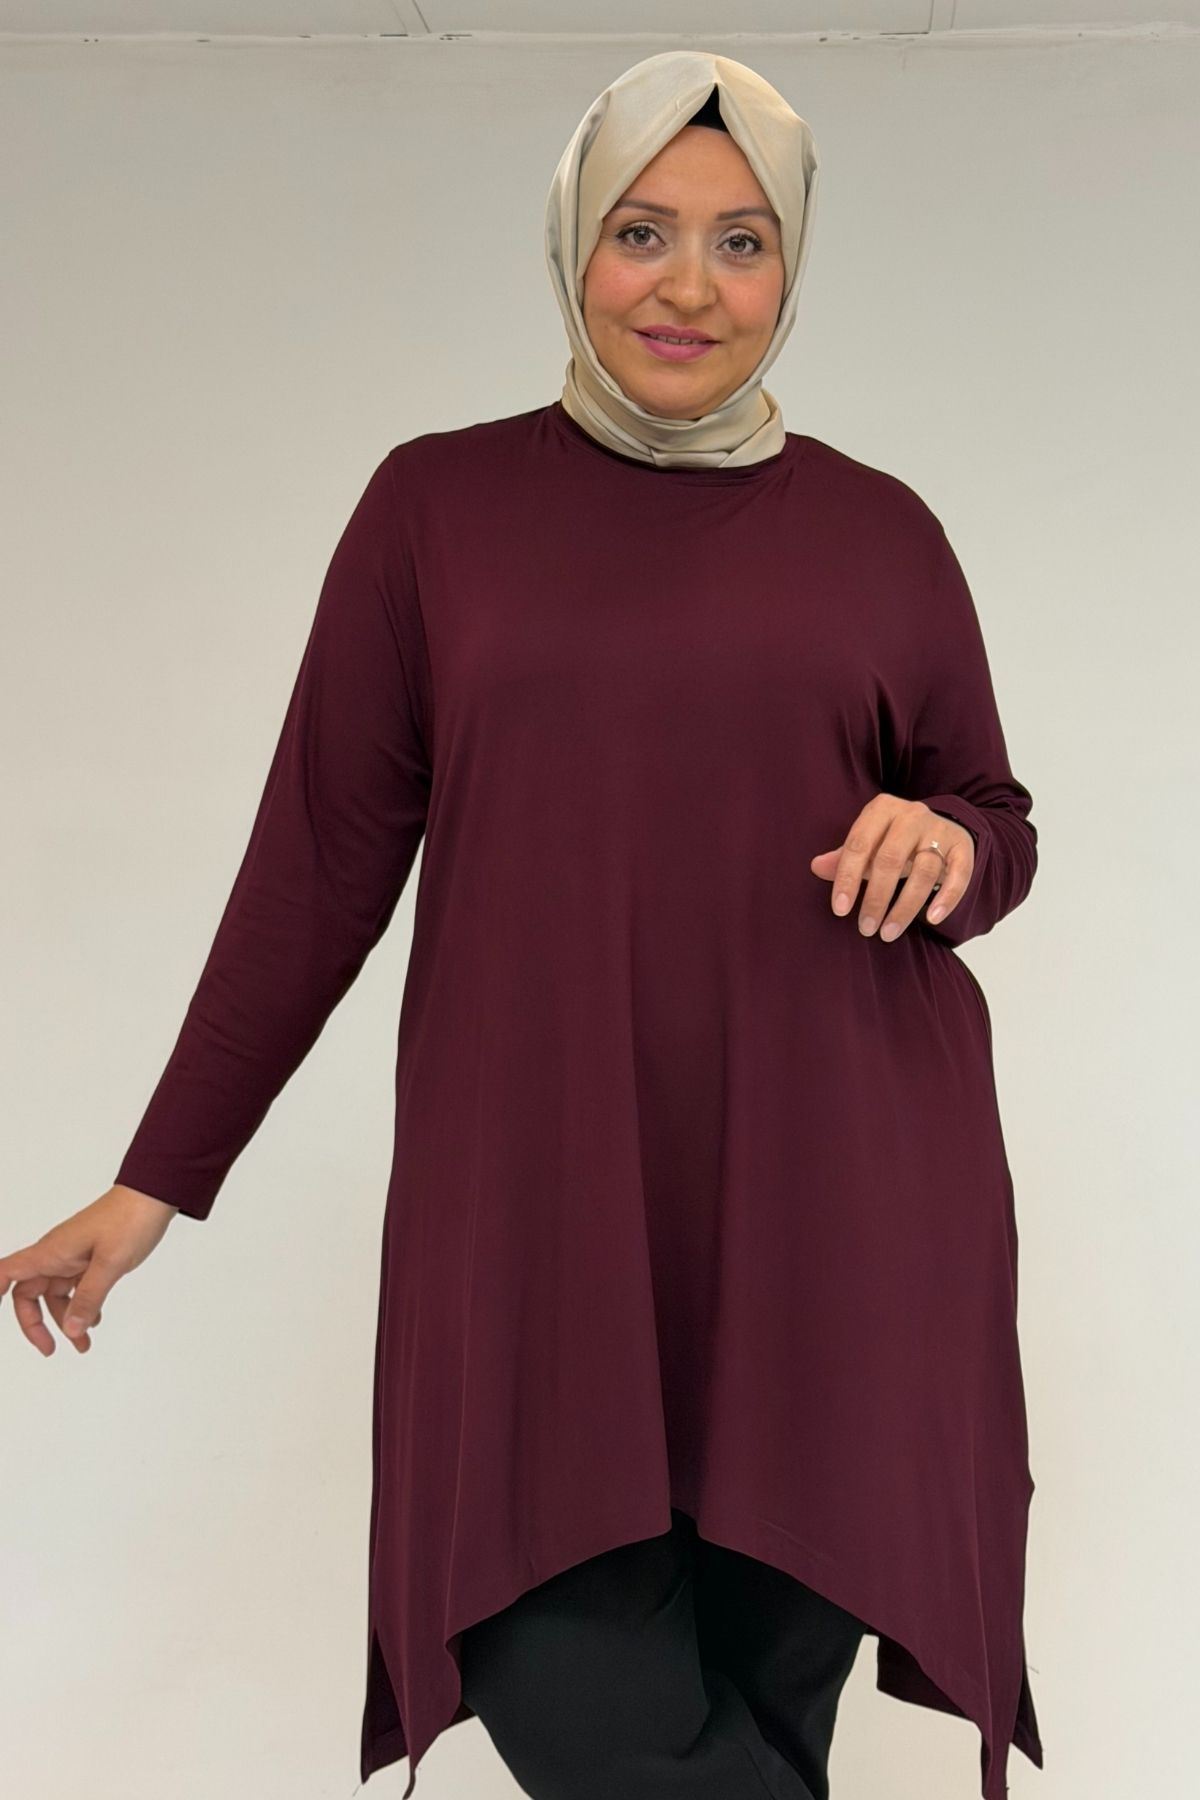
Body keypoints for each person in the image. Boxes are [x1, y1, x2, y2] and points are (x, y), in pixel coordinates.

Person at [0, 48, 1044, 1800]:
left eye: (741, 240)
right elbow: (317, 867)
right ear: (572, 240)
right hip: (542, 1230)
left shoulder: (883, 535)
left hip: (838, 1225)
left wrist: (944, 840)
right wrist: (155, 1178)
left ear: (792, 264)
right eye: (643, 230)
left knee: (767, 1730)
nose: (688, 286)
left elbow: (995, 825)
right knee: (573, 1677)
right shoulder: (437, 513)